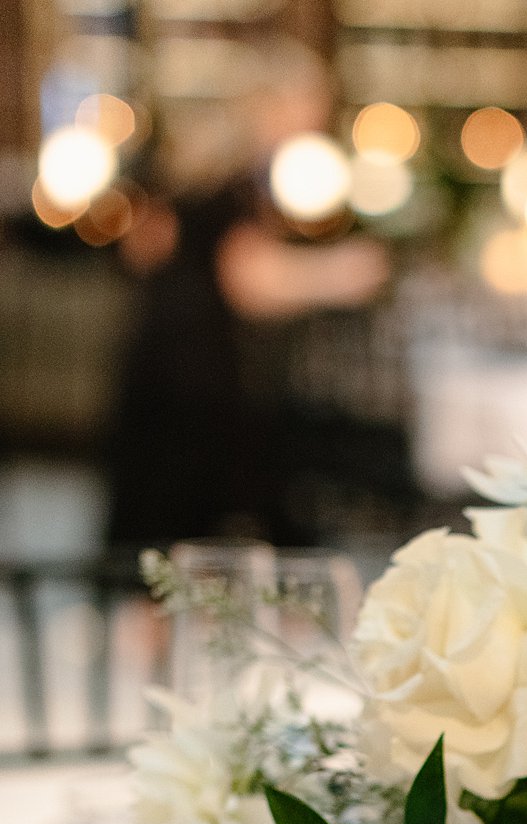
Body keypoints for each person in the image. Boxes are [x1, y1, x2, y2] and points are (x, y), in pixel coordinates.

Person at [106, 39, 389, 548]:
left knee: (161, 544)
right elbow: (248, 280)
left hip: (170, 368)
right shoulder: (238, 172)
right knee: (169, 533)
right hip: (191, 381)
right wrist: (339, 273)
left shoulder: (206, 161)